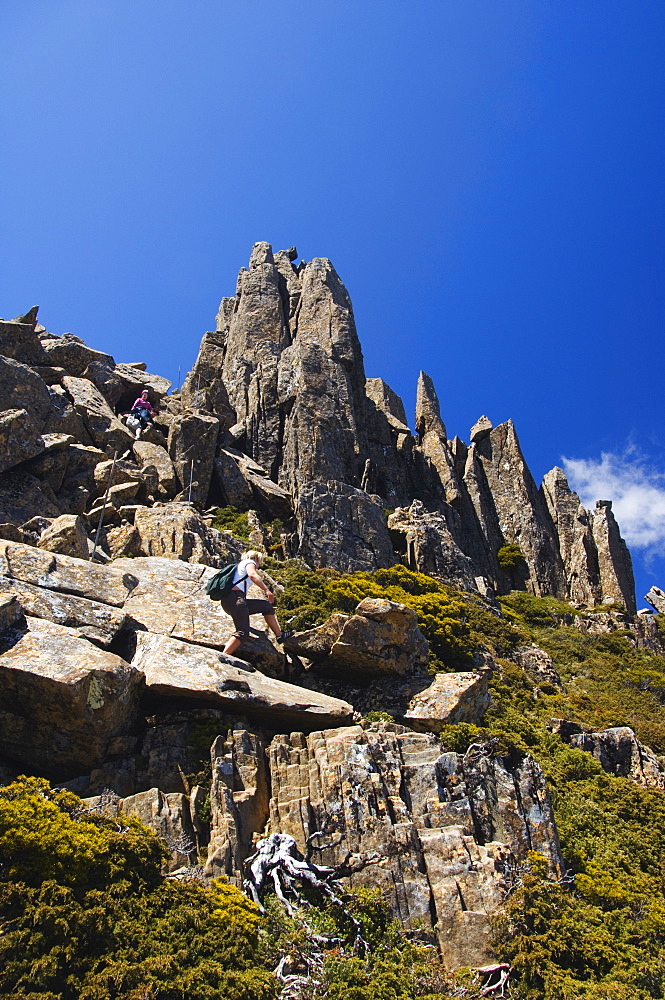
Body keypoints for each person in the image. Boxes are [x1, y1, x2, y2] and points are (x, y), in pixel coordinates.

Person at [220, 550, 292, 657]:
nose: (258, 566)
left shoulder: (239, 567)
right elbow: (252, 575)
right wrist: (266, 590)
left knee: (266, 606)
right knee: (242, 633)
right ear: (256, 559)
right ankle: (224, 656)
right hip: (236, 599)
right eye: (259, 562)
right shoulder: (250, 562)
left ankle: (279, 635)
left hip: (231, 601)